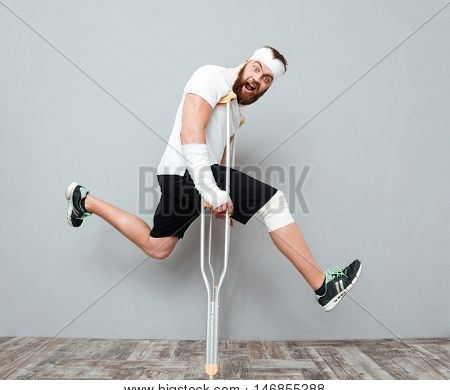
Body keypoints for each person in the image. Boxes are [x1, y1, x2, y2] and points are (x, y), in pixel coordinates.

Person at [65, 46, 361, 311]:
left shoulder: (236, 110)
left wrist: (219, 199)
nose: (259, 79)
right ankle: (324, 286)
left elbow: (220, 156)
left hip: (179, 176)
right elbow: (190, 132)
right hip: (186, 172)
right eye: (257, 68)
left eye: (268, 79)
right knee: (275, 204)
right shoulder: (209, 77)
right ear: (246, 63)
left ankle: (85, 200)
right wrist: (212, 189)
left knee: (158, 247)